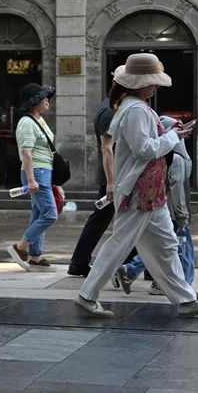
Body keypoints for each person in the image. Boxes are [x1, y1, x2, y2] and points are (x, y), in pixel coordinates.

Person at [75, 53, 198, 318]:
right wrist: (173, 135)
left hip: (149, 190)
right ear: (139, 83)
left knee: (165, 244)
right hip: (140, 191)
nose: (157, 86)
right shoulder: (136, 109)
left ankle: (185, 299)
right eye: (153, 82)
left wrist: (168, 128)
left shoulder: (135, 106)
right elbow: (144, 149)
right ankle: (87, 294)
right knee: (122, 244)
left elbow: (145, 138)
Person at [114, 115, 198, 299]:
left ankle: (131, 271)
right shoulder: (177, 158)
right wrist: (182, 216)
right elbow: (178, 188)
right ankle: (186, 289)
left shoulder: (164, 156)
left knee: (161, 248)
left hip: (163, 209)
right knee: (182, 250)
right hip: (173, 212)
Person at [68, 73, 123, 277]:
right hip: (113, 177)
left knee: (106, 219)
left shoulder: (113, 107)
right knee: (112, 220)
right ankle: (81, 262)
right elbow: (106, 148)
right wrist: (111, 182)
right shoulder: (109, 111)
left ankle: (79, 262)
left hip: (115, 176)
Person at [7, 83, 59, 272]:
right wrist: (30, 180)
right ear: (34, 102)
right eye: (43, 97)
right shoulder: (27, 122)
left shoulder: (39, 120)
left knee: (39, 213)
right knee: (50, 214)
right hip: (35, 172)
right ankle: (20, 247)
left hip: (44, 171)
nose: (47, 100)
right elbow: (26, 153)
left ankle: (35, 256)